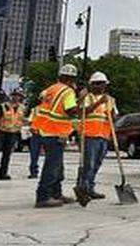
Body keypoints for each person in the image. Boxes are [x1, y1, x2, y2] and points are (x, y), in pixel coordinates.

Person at [31, 64, 85, 208]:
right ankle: (43, 197)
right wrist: (82, 102)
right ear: (71, 79)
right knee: (52, 166)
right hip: (54, 132)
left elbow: (43, 99)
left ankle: (56, 193)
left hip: (45, 130)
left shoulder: (51, 89)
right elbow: (71, 111)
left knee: (57, 166)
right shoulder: (68, 91)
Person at [79, 72, 116, 200]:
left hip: (103, 136)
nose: (101, 87)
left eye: (103, 84)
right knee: (88, 164)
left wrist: (110, 111)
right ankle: (83, 188)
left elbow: (113, 117)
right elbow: (83, 112)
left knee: (97, 163)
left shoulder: (110, 99)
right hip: (89, 135)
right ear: (93, 85)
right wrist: (99, 102)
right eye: (98, 84)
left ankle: (90, 187)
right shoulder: (87, 97)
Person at [27, 103, 42, 179]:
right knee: (34, 154)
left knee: (34, 154)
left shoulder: (36, 109)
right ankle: (34, 171)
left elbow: (30, 121)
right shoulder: (35, 109)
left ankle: (33, 172)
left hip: (43, 133)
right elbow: (30, 121)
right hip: (38, 133)